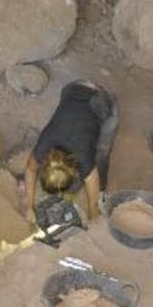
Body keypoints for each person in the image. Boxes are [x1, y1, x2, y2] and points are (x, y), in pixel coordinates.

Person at [24, 80, 119, 222]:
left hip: (101, 98)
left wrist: (93, 217)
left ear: (74, 171)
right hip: (72, 88)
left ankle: (103, 187)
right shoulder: (43, 146)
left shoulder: (84, 157)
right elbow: (30, 169)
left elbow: (92, 205)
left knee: (102, 151)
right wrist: (29, 206)